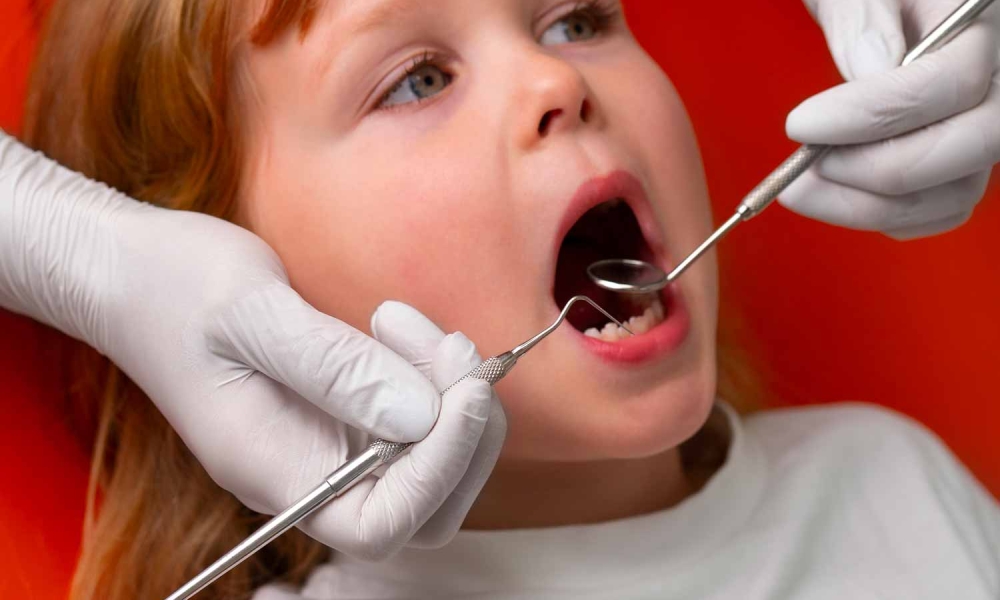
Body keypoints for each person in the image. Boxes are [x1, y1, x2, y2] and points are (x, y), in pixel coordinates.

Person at [1, 0, 997, 598]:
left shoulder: (889, 479)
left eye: (579, 17)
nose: (553, 77)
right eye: (416, 79)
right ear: (222, 252)